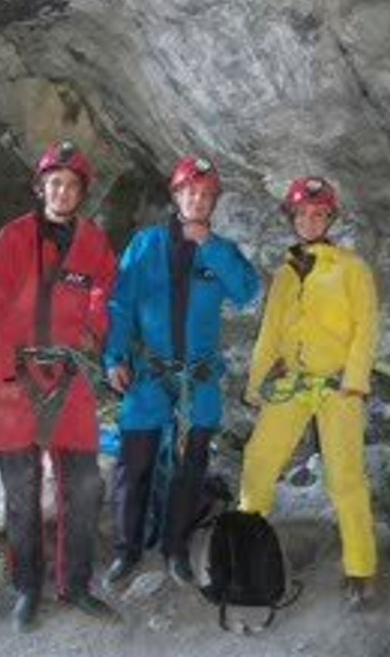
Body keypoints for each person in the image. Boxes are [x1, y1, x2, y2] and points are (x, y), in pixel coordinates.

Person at [103, 155, 260, 587]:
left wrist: (209, 246)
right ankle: (127, 550)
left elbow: (247, 291)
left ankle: (175, 548)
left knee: (191, 467)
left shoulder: (221, 251)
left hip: (199, 378)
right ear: (176, 196)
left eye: (207, 195)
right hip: (150, 375)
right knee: (134, 464)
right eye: (190, 192)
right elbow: (121, 304)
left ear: (214, 203)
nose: (198, 200)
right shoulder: (146, 245)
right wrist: (114, 357)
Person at [0, 140, 118, 632]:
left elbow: (106, 288)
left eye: (72, 184)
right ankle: (27, 589)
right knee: (21, 489)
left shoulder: (93, 241)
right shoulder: (15, 236)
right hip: (17, 377)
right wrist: (2, 376)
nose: (62, 191)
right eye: (55, 182)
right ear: (41, 188)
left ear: (81, 193)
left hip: (69, 377)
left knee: (83, 485)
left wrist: (96, 326)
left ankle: (75, 584)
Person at [239, 176, 380, 608]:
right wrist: (256, 384)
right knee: (259, 460)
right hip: (292, 382)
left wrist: (355, 382)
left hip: (338, 386)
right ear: (293, 219)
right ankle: (245, 550)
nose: (310, 221)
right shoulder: (285, 273)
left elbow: (366, 327)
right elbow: (270, 333)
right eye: (302, 214)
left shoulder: (351, 267)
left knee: (345, 477)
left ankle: (360, 569)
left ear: (330, 218)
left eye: (319, 214)